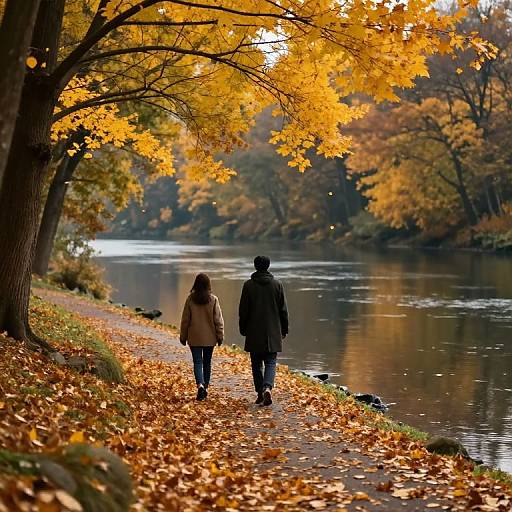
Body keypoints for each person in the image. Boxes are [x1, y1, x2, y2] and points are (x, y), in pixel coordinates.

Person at [239, 255, 289, 406]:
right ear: (268, 266)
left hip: (254, 331)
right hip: (273, 332)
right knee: (271, 362)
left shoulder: (248, 286)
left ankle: (260, 393)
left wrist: (243, 328)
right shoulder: (277, 285)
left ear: (255, 266)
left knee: (256, 364)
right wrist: (284, 329)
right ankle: (267, 387)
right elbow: (283, 311)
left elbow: (243, 311)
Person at [180, 273, 224, 401]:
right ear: (208, 285)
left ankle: (200, 385)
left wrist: (183, 336)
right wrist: (220, 336)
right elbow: (218, 320)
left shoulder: (190, 299)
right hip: (210, 338)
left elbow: (185, 320)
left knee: (198, 362)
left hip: (194, 337)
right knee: (207, 362)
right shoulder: (213, 300)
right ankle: (205, 386)